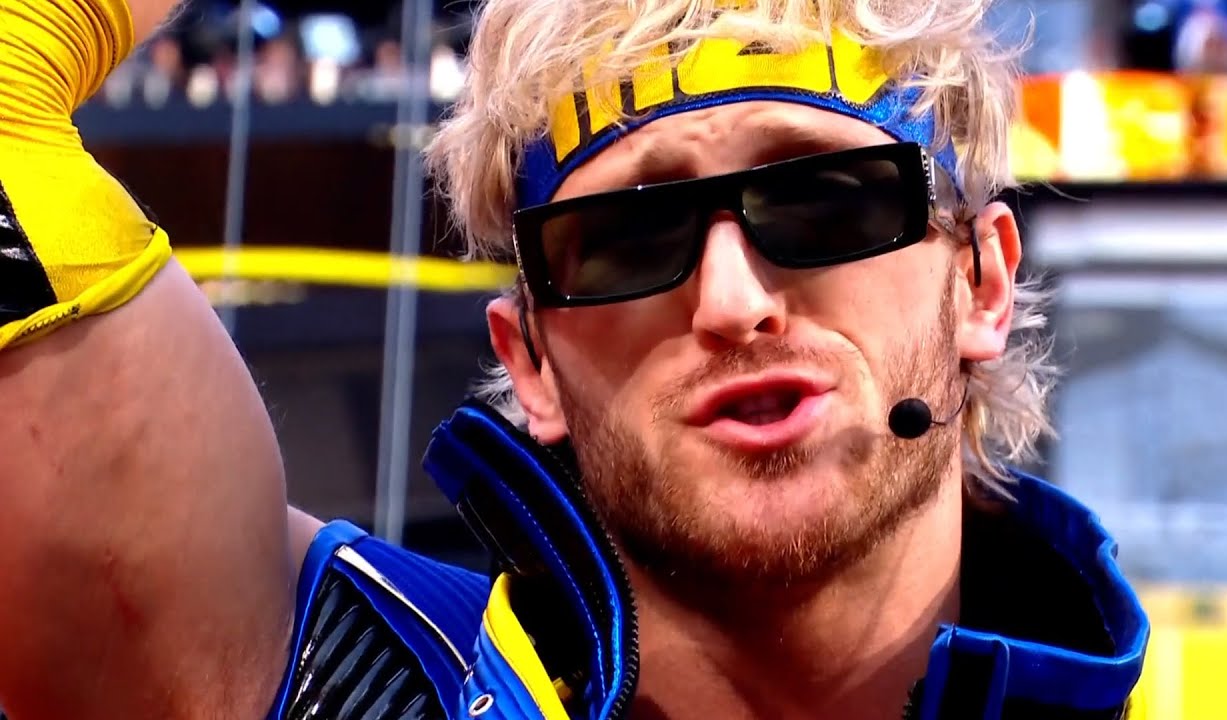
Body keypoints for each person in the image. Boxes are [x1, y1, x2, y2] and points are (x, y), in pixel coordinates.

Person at [0, 0, 1150, 719]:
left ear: (979, 280)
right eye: (626, 240)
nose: (733, 303)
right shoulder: (335, 678)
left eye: (822, 204)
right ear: (531, 361)